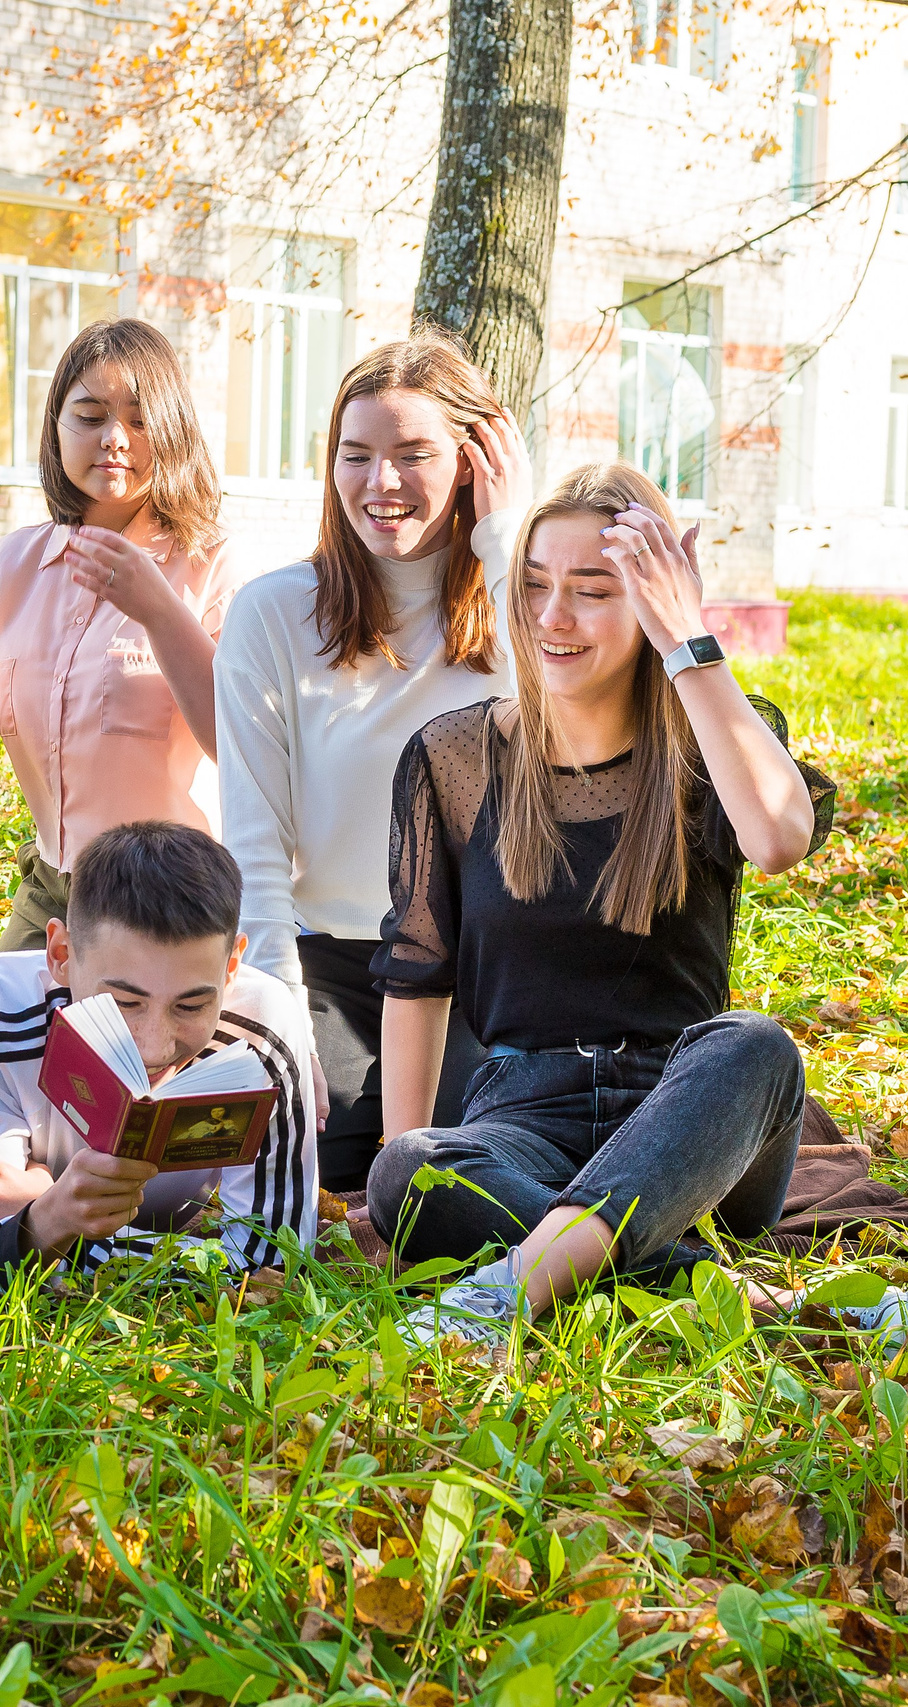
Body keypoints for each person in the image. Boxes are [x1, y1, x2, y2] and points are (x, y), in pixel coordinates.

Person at [361, 463, 871, 1346]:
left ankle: (517, 1280)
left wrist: (690, 646)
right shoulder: (455, 758)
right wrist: (396, 1207)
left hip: (689, 1117)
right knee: (408, 1167)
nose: (553, 617)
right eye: (534, 586)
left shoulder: (719, 736)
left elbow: (781, 837)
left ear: (652, 601)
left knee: (755, 1044)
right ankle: (732, 1300)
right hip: (523, 1114)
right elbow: (417, 977)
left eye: (593, 591)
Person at [215, 329, 532, 1192]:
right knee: (325, 1168)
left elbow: (573, 715)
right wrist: (281, 1025)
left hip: (482, 971)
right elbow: (254, 841)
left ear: (473, 461)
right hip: (326, 968)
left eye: (412, 454)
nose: (380, 483)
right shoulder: (272, 614)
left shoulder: (524, 606)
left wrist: (507, 542)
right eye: (355, 456)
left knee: (484, 1171)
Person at [0, 317, 237, 952]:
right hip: (51, 893)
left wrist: (158, 609)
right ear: (57, 427)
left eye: (140, 418)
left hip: (172, 900)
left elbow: (240, 747)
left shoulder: (213, 569)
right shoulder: (8, 570)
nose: (115, 439)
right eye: (91, 415)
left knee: (129, 1057)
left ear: (175, 429)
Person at [0, 821, 325, 1285]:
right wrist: (50, 1220)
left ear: (232, 967)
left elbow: (271, 1264)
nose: (154, 1045)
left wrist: (41, 1215)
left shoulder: (262, 1036)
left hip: (17, 1140)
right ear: (60, 954)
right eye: (124, 1003)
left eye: (191, 1005)